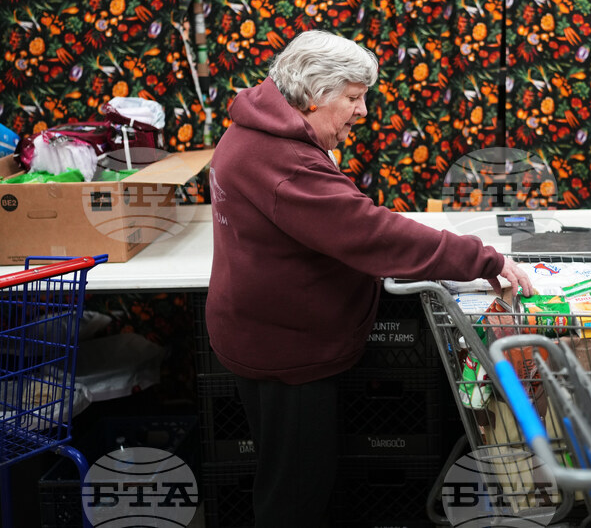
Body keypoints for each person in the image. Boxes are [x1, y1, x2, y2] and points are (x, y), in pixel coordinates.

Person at [206, 30, 535, 526]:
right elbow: (371, 234)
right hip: (286, 350)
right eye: (354, 98)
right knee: (293, 493)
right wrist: (481, 259)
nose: (362, 112)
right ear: (314, 96)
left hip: (263, 332)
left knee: (290, 476)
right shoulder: (284, 160)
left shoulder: (258, 130)